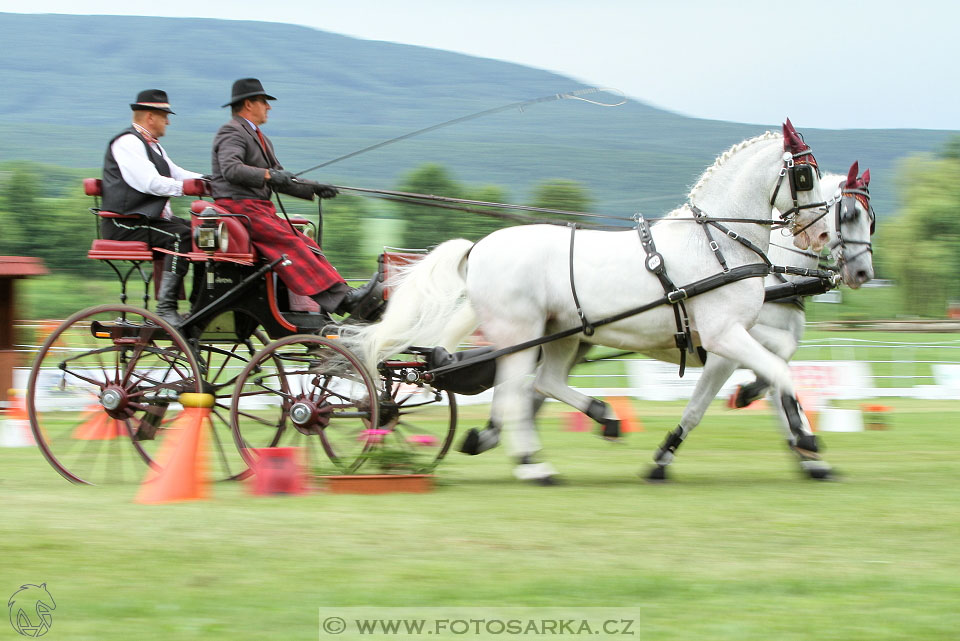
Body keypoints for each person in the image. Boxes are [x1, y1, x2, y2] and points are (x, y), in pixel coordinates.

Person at [210, 78, 381, 319]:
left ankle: (344, 295)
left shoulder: (260, 138)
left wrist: (315, 188)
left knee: (306, 242)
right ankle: (341, 299)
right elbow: (231, 169)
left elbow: (283, 178)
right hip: (239, 208)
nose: (268, 107)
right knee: (290, 244)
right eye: (264, 102)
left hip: (258, 209)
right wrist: (269, 175)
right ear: (249, 104)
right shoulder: (232, 131)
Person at [101, 89, 203, 325]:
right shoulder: (128, 142)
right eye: (165, 115)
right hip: (123, 222)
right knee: (182, 236)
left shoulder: (153, 146)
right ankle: (165, 309)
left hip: (144, 219)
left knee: (204, 233)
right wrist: (187, 188)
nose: (168, 121)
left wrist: (210, 182)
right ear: (150, 117)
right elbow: (149, 182)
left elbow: (177, 173)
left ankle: (199, 304)